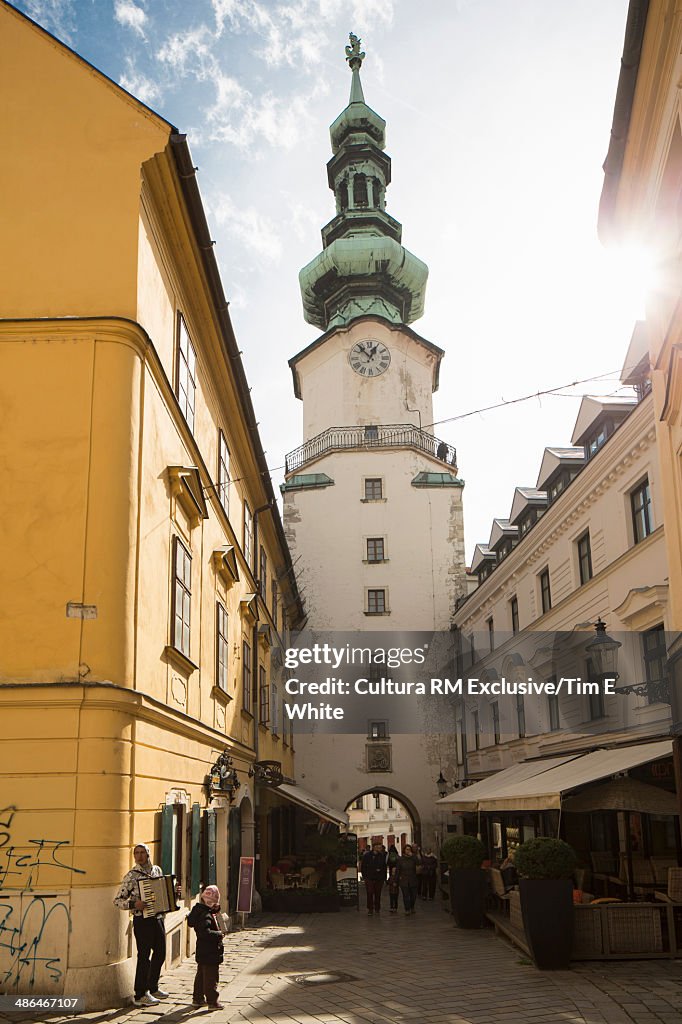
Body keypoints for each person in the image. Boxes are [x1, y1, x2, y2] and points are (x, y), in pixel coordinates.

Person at [113, 842, 179, 1007]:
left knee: (161, 953)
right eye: (137, 853)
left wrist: (173, 894)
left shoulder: (157, 870)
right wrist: (134, 904)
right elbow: (118, 901)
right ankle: (140, 994)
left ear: (148, 854)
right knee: (144, 957)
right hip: (142, 920)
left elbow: (163, 894)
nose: (140, 856)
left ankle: (153, 987)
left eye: (143, 852)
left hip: (157, 918)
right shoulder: (131, 876)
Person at [187, 885, 225, 1010]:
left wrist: (215, 909)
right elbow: (205, 932)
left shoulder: (200, 911)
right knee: (211, 978)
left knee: (201, 976)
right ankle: (212, 1001)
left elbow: (207, 916)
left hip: (202, 950)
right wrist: (219, 934)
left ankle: (197, 999)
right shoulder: (205, 915)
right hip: (210, 951)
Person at [360, 841, 387, 915]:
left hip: (379, 878)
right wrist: (365, 876)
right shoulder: (367, 856)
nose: (380, 848)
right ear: (374, 847)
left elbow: (384, 867)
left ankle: (377, 908)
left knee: (378, 893)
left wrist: (384, 877)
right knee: (370, 892)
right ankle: (370, 908)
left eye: (380, 847)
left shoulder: (381, 856)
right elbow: (363, 866)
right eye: (378, 847)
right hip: (369, 877)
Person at [397, 844, 418, 915]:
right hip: (404, 880)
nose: (408, 851)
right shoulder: (400, 859)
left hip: (413, 879)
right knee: (406, 895)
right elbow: (398, 870)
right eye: (407, 849)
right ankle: (407, 909)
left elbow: (418, 863)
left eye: (409, 849)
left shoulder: (413, 858)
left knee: (413, 896)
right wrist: (397, 880)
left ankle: (412, 906)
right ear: (404, 850)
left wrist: (413, 856)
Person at [386, 844, 400, 913]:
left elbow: (387, 862)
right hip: (396, 870)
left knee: (392, 878)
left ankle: (392, 907)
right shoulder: (397, 855)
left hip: (392, 870)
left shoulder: (389, 855)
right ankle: (395, 907)